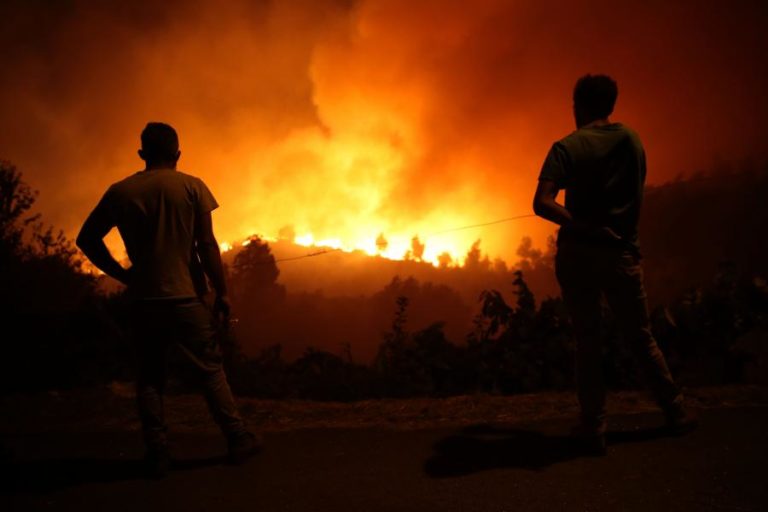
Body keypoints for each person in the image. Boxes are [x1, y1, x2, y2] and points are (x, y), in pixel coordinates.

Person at [77, 122, 259, 478]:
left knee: (149, 377)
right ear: (177, 153)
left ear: (142, 154)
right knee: (210, 371)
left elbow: (87, 239)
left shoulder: (121, 192)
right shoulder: (192, 187)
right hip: (187, 297)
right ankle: (237, 439)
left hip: (145, 300)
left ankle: (158, 453)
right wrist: (222, 292)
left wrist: (122, 274)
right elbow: (206, 244)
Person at [532, 75, 697, 455]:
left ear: (578, 105)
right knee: (640, 336)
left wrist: (582, 223)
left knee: (587, 340)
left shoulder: (566, 147)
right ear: (611, 104)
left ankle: (594, 428)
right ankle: (676, 412)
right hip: (623, 253)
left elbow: (542, 202)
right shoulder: (632, 141)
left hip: (578, 254)